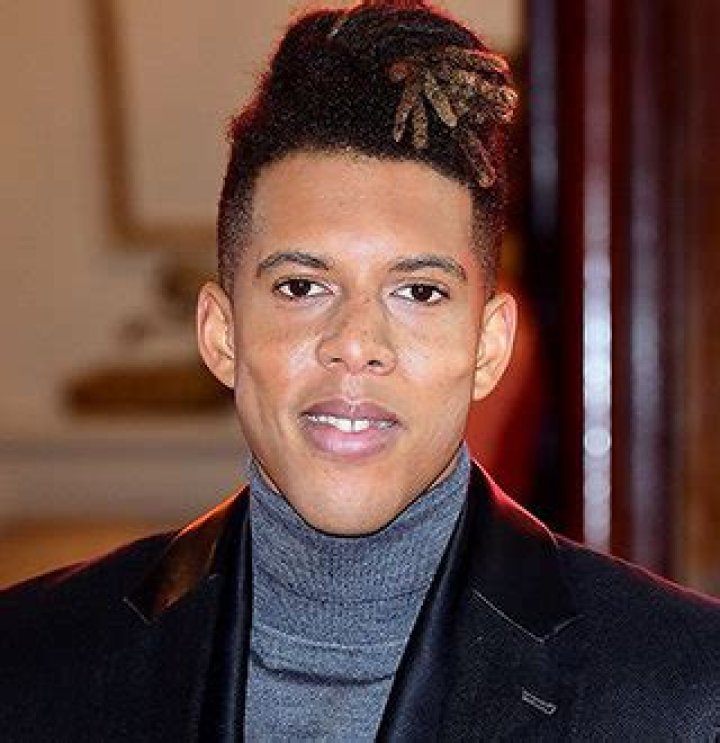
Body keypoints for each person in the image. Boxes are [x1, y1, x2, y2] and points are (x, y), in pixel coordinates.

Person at [2, 2, 719, 740]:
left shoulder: (688, 693)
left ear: (488, 347)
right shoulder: (28, 666)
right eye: (302, 287)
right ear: (220, 334)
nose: (355, 343)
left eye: (419, 292)